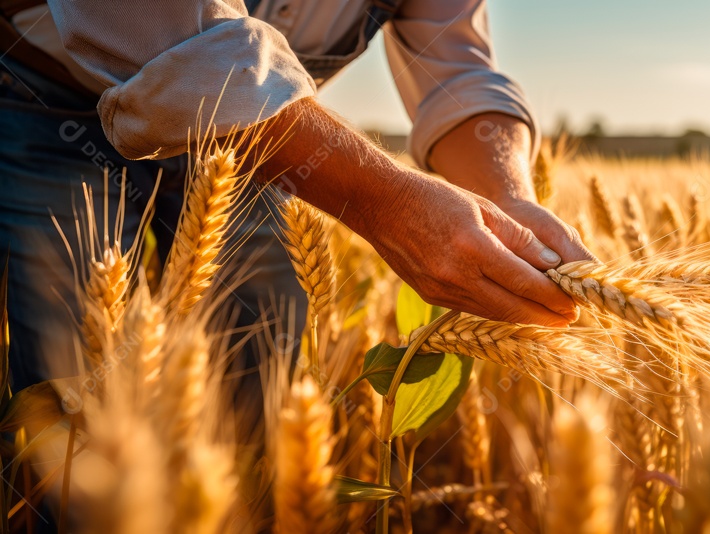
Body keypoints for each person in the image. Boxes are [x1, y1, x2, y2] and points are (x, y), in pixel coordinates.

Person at [0, 0, 591, 396]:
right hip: (57, 102)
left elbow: (457, 69)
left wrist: (505, 195)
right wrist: (385, 203)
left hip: (266, 141)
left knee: (266, 374)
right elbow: (158, 25)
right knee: (73, 387)